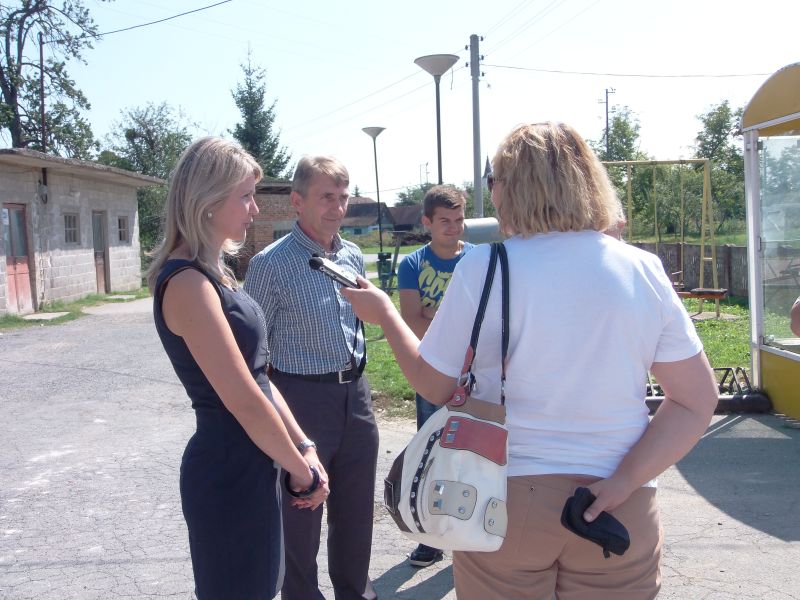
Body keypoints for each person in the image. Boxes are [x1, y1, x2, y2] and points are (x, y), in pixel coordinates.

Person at [342, 122, 719, 599]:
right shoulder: (641, 269)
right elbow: (695, 400)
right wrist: (625, 481)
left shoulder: (483, 266)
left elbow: (434, 384)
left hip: (505, 499)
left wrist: (384, 314)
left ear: (514, 188)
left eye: (494, 180)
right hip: (618, 507)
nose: (491, 192)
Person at [146, 137, 329, 599]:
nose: (255, 208)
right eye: (245, 196)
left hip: (253, 463)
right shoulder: (187, 282)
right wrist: (301, 469)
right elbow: (243, 399)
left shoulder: (214, 273)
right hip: (228, 472)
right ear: (207, 201)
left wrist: (303, 446)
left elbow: (259, 376)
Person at [244, 156, 379, 600]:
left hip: (356, 397)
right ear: (297, 201)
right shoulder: (270, 265)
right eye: (326, 197)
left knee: (356, 517)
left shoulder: (351, 255)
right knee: (300, 517)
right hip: (300, 399)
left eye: (343, 197)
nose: (337, 208)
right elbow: (252, 354)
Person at [396, 184, 474, 567]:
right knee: (434, 452)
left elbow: (485, 320)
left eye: (459, 219)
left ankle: (471, 535)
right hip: (432, 373)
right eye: (445, 220)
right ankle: (432, 537)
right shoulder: (412, 265)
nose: (453, 227)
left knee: (475, 454)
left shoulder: (476, 259)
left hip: (475, 374)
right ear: (427, 222)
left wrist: (435, 317)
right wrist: (454, 326)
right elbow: (412, 321)